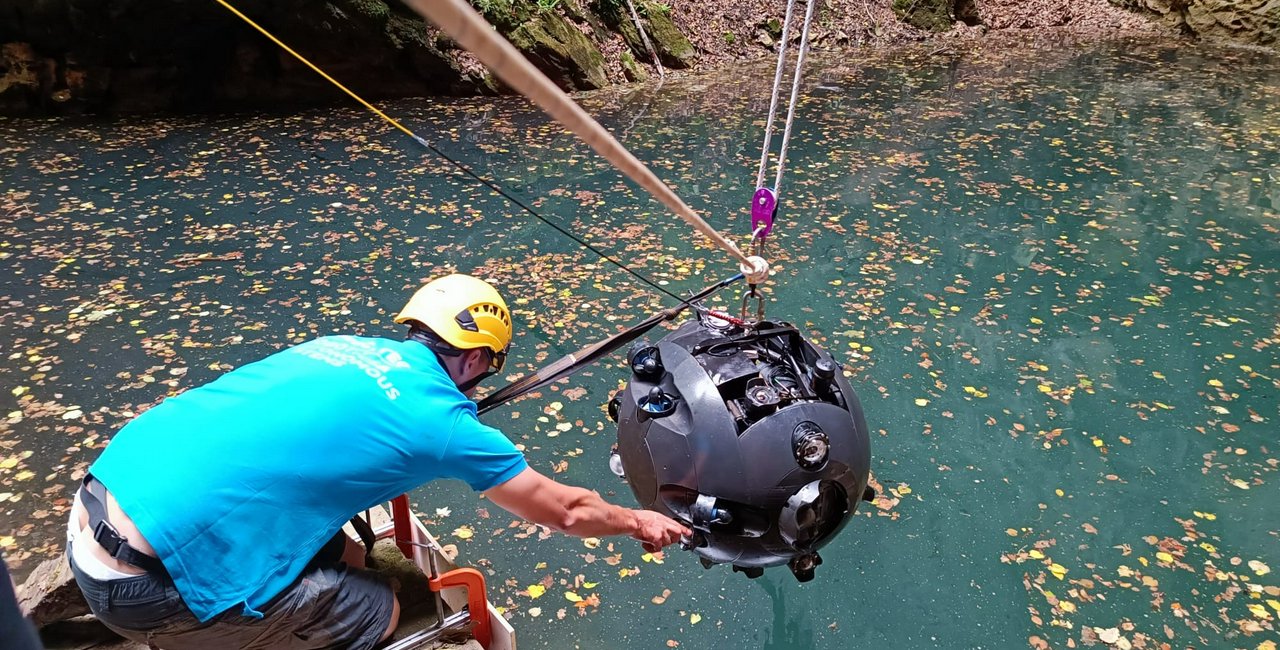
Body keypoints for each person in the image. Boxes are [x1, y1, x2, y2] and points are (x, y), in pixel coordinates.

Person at [67, 273, 690, 649]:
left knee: (354, 555)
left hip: (101, 498)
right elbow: (569, 512)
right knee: (383, 606)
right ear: (475, 359)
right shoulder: (444, 426)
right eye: (489, 367)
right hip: (137, 591)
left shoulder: (342, 346)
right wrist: (640, 521)